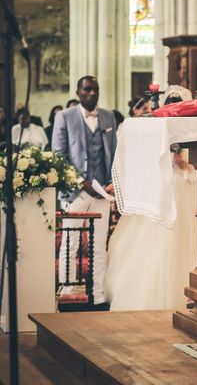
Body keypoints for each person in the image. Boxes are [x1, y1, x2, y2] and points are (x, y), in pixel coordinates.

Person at [105, 86, 197, 310]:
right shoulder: (156, 128)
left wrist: (184, 165)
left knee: (186, 238)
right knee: (157, 240)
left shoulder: (195, 128)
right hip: (163, 187)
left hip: (184, 185)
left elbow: (196, 165)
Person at [52, 76, 118, 309]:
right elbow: (59, 155)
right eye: (88, 89)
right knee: (70, 242)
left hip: (102, 192)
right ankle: (68, 293)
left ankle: (99, 296)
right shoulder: (64, 117)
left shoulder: (108, 117)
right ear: (78, 92)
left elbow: (115, 154)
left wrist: (111, 183)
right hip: (75, 192)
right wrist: (80, 181)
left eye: (95, 90)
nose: (92, 94)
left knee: (100, 245)